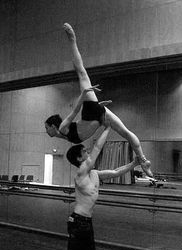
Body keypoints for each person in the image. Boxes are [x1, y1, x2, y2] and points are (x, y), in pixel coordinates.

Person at [45, 22, 153, 177]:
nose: (46, 131)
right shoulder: (61, 134)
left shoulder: (63, 128)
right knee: (126, 133)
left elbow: (75, 111)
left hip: (91, 113)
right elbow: (76, 127)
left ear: (52, 126)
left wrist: (84, 96)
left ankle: (72, 39)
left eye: (46, 127)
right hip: (97, 115)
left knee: (81, 72)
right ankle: (142, 161)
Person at [57, 125, 139, 250]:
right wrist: (107, 126)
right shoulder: (81, 174)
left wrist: (134, 164)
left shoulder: (94, 174)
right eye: (84, 151)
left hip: (87, 224)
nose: (88, 153)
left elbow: (116, 172)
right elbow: (97, 148)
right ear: (79, 159)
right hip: (77, 223)